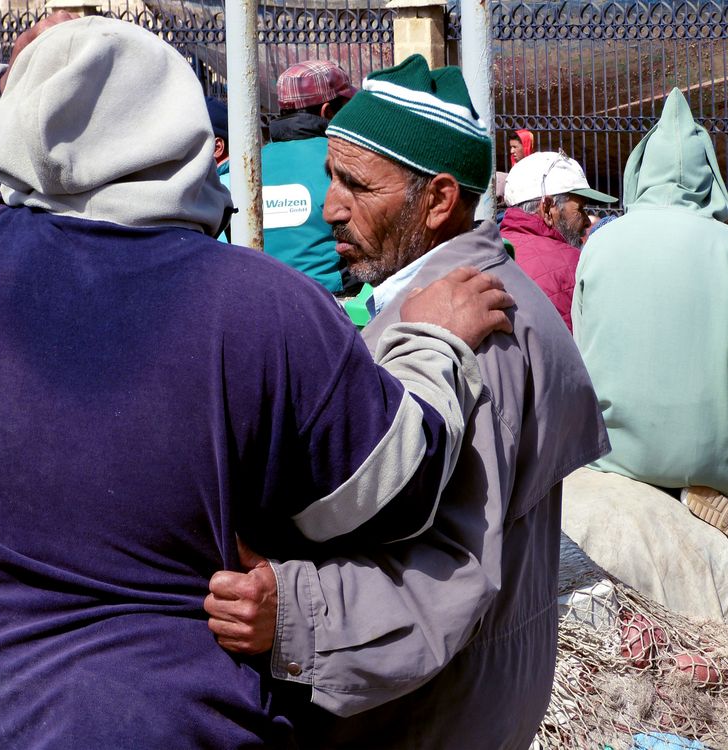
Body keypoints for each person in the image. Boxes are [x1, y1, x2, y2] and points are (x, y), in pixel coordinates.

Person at [0, 17, 514, 749]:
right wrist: (432, 341)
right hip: (170, 722)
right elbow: (397, 491)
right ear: (188, 135)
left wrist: (16, 80)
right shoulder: (261, 308)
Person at [204, 54, 609, 749]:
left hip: (429, 722)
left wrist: (289, 616)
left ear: (439, 200)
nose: (331, 206)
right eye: (332, 179)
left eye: (356, 186)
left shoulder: (477, 335)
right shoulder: (447, 302)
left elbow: (445, 576)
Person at [564, 88, 728, 620]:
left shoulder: (602, 244)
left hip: (619, 458)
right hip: (715, 467)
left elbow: (583, 348)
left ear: (639, 173)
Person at [259, 60, 357, 293]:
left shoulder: (249, 167)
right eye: (346, 106)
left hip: (260, 296)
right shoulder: (344, 160)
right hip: (331, 298)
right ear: (327, 111)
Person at [500, 151, 616, 331]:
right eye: (580, 209)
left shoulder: (491, 250)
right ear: (547, 208)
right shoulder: (574, 263)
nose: (586, 221)